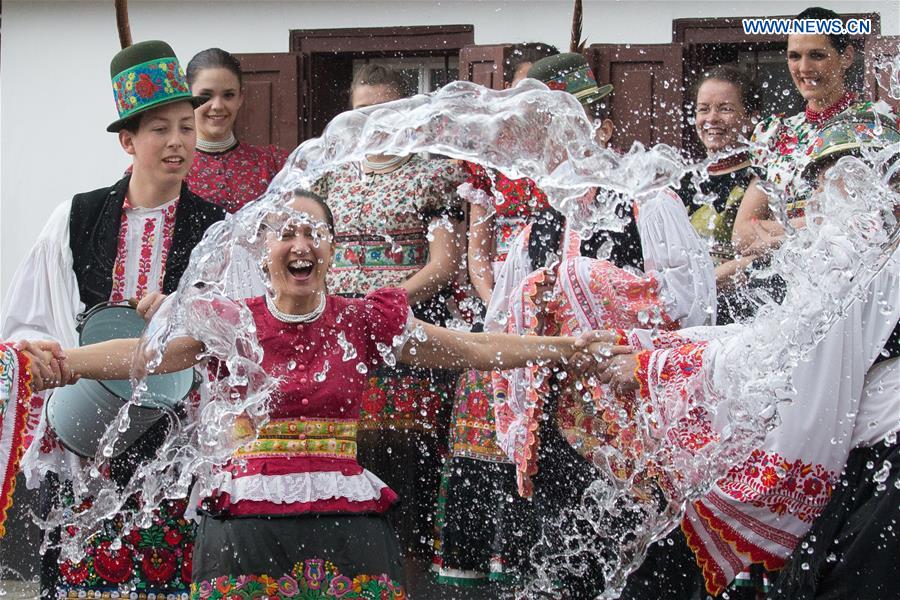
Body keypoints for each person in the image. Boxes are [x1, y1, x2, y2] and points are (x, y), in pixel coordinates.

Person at [43, 189, 606, 599]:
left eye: (314, 232)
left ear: (332, 248)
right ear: (263, 250)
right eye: (286, 233)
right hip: (245, 528)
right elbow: (144, 355)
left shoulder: (363, 322)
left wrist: (565, 348)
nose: (301, 245)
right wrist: (59, 364)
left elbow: (470, 348)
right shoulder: (232, 322)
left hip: (349, 525)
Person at [586, 116, 900, 599]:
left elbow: (783, 354)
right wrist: (661, 347)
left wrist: (655, 367)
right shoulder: (878, 245)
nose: (815, 200)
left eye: (822, 182)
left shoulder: (853, 244)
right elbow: (779, 334)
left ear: (855, 180)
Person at [0, 40, 226, 599]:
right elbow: (27, 322)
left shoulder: (218, 229)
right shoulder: (76, 217)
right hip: (83, 433)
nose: (177, 142)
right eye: (159, 129)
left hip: (176, 443)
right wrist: (47, 360)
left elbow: (236, 331)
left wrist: (183, 309)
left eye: (187, 127)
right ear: (128, 140)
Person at [488, 52, 715, 599]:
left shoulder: (647, 206)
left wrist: (621, 339)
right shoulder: (535, 232)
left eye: (563, 131)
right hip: (561, 438)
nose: (550, 147)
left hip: (644, 427)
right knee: (570, 571)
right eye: (541, 135)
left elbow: (694, 313)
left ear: (604, 130)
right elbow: (503, 332)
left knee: (651, 575)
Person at [312, 64, 467, 568]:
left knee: (404, 452)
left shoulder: (434, 174)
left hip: (403, 329)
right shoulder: (330, 174)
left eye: (386, 109)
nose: (374, 120)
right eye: (363, 111)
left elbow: (444, 264)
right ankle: (344, 565)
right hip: (337, 330)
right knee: (343, 443)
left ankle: (406, 565)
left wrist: (381, 305)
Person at [432, 41, 558, 588]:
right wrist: (500, 307)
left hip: (555, 311)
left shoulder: (573, 164)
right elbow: (477, 256)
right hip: (499, 313)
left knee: (539, 438)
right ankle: (469, 561)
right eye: (521, 91)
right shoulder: (488, 163)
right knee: (479, 437)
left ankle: (529, 560)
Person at [731, 6, 899, 257]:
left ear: (846, 57)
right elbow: (741, 235)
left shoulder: (874, 123)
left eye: (817, 55)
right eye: (794, 56)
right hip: (783, 276)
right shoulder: (775, 133)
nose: (804, 67)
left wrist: (775, 233)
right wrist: (815, 225)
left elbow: (873, 221)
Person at [676, 65, 761, 324]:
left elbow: (762, 254)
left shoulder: (763, 179)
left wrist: (707, 283)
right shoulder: (681, 183)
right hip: (685, 314)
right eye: (703, 109)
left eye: (725, 109)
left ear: (751, 117)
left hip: (741, 316)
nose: (711, 119)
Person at [185, 48, 289, 213]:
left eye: (228, 95)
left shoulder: (272, 164)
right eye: (206, 96)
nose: (217, 106)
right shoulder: (172, 167)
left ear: (240, 98)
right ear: (188, 96)